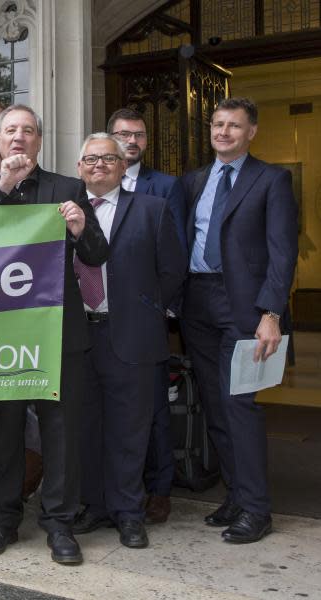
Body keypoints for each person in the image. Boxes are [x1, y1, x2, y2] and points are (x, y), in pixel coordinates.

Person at [0, 104, 109, 566]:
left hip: (59, 331)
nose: (18, 138)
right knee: (5, 428)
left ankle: (59, 523)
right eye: (9, 130)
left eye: (27, 131)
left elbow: (96, 254)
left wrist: (79, 226)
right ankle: (4, 518)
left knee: (60, 432)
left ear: (39, 140)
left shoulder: (67, 187)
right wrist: (5, 186)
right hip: (2, 333)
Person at [181, 97, 297, 544]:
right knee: (213, 403)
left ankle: (256, 508)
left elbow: (282, 252)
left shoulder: (271, 179)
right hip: (198, 303)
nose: (223, 132)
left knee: (240, 406)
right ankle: (235, 494)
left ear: (251, 132)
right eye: (217, 124)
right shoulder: (193, 182)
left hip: (246, 309)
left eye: (234, 125)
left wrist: (271, 313)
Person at [69, 133, 186, 550]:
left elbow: (172, 271)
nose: (99, 165)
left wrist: (146, 309)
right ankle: (95, 506)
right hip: (78, 337)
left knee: (130, 431)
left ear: (122, 166)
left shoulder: (153, 209)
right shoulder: (62, 212)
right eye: (90, 159)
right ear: (79, 166)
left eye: (108, 158)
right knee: (86, 429)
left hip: (132, 336)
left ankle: (128, 513)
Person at [105, 107, 187, 525]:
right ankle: (112, 493)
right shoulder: (87, 187)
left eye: (138, 134)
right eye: (122, 135)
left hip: (146, 321)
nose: (130, 141)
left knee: (153, 411)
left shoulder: (167, 187)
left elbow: (175, 257)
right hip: (102, 324)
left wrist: (157, 308)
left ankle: (159, 489)